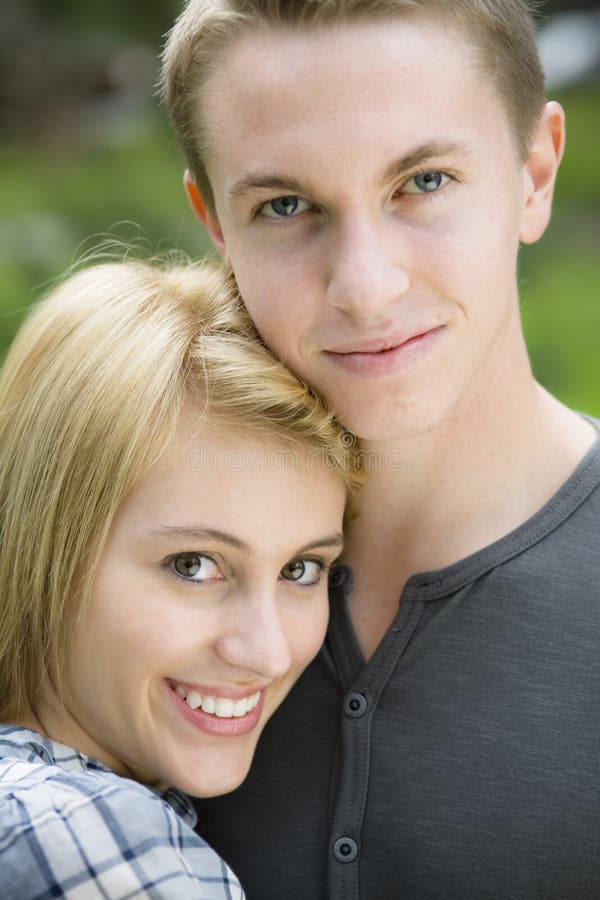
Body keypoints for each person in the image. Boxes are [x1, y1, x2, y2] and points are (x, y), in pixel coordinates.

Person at [160, 1, 600, 898]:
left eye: (425, 182)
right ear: (213, 221)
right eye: (286, 205)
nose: (365, 287)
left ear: (535, 172)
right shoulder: (101, 578)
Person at [0, 256, 362, 899]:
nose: (267, 653)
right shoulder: (86, 839)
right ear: (44, 541)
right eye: (193, 566)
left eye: (302, 570)